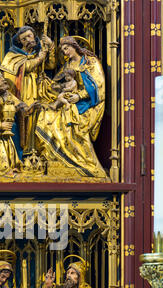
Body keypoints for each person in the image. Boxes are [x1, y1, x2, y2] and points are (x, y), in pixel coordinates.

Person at [35, 36, 108, 180]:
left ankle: (86, 165)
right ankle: (59, 160)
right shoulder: (68, 65)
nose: (65, 52)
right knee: (46, 116)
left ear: (74, 46)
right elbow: (57, 83)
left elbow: (99, 87)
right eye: (62, 50)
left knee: (73, 124)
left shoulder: (90, 62)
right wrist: (45, 83)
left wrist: (79, 96)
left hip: (88, 103)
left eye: (67, 48)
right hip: (71, 100)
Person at [0, 26, 55, 154]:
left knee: (39, 118)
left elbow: (51, 65)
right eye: (24, 39)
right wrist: (40, 58)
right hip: (23, 90)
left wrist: (50, 47)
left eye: (30, 36)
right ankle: (26, 151)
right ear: (20, 42)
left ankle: (38, 150)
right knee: (27, 117)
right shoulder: (13, 55)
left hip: (39, 90)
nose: (28, 40)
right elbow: (27, 67)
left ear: (35, 36)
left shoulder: (37, 53)